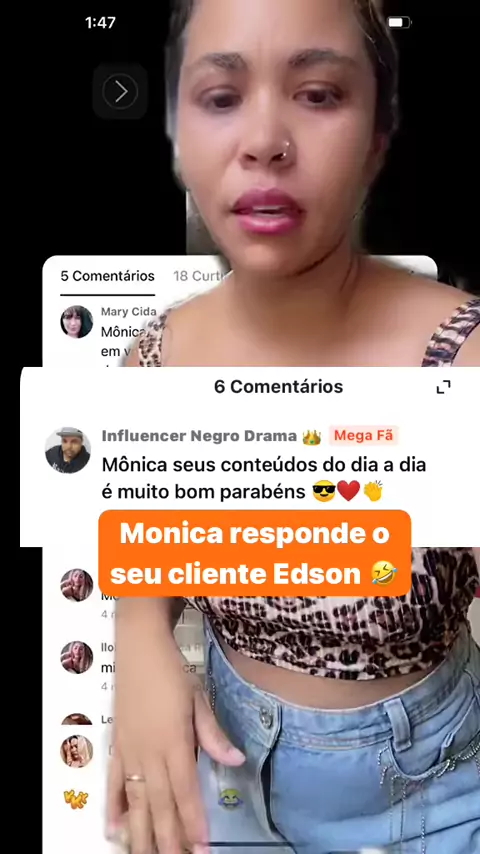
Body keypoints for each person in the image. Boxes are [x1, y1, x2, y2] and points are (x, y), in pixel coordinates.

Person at [112, 2, 480, 853]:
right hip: (228, 775)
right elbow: (145, 550)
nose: (265, 142)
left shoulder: (457, 364)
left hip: (432, 799)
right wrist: (140, 643)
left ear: (378, 137)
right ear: (177, 136)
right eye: (220, 97)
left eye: (318, 94)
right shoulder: (154, 361)